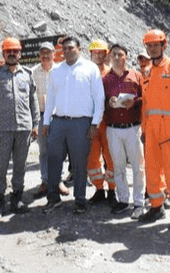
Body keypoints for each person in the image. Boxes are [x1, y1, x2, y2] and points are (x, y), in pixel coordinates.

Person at [42, 36, 105, 214]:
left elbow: (99, 98)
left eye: (71, 48)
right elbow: (50, 99)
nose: (67, 51)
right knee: (54, 160)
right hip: (59, 122)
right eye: (65, 49)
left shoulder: (90, 69)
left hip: (81, 123)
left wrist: (95, 123)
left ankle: (80, 199)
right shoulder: (56, 71)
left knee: (78, 163)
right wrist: (46, 122)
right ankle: (53, 198)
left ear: (79, 48)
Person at [139, 30, 170, 230]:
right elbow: (145, 106)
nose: (152, 49)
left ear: (164, 45)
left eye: (155, 45)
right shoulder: (147, 71)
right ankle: (156, 207)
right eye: (149, 46)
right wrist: (144, 130)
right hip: (151, 130)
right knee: (152, 169)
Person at [0, 38, 39, 220]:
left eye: (15, 51)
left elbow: (33, 101)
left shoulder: (27, 74)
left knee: (20, 166)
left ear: (20, 53)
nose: (12, 54)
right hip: (2, 131)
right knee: (0, 168)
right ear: (3, 53)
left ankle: (17, 200)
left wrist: (36, 124)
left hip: (23, 128)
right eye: (9, 51)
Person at [104, 44, 145, 218]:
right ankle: (123, 200)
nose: (116, 57)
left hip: (133, 128)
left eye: (119, 54)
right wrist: (110, 103)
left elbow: (146, 98)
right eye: (113, 54)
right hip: (113, 129)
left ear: (126, 56)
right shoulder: (106, 79)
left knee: (138, 167)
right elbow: (99, 102)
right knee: (118, 166)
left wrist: (134, 102)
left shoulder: (136, 76)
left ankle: (139, 202)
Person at [31, 42, 69, 199]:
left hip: (58, 116)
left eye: (48, 52)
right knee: (44, 150)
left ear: (54, 54)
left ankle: (59, 181)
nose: (45, 56)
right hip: (41, 115)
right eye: (42, 53)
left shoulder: (61, 70)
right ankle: (45, 181)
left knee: (59, 150)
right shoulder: (33, 72)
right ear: (39, 55)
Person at [86, 39, 116, 206]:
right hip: (91, 123)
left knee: (111, 158)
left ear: (106, 54)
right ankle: (99, 189)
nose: (97, 55)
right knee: (92, 159)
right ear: (90, 54)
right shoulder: (85, 73)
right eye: (95, 52)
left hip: (108, 123)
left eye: (101, 53)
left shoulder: (112, 73)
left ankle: (112, 190)